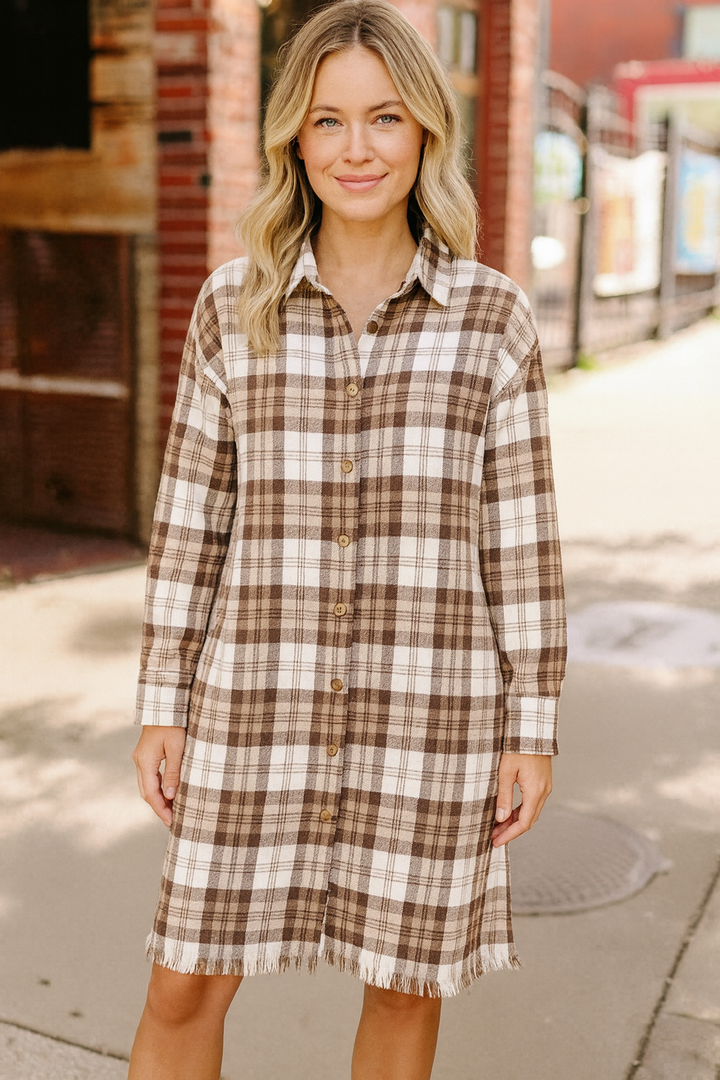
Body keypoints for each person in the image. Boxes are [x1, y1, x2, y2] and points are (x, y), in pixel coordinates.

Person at [128, 2, 567, 1077]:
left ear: (425, 130)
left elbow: (523, 546)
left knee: (405, 989)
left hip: (432, 709)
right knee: (184, 980)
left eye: (383, 117)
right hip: (253, 701)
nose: (356, 148)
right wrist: (162, 704)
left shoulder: (491, 318)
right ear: (293, 139)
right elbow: (191, 523)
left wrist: (533, 729)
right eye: (327, 122)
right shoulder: (234, 307)